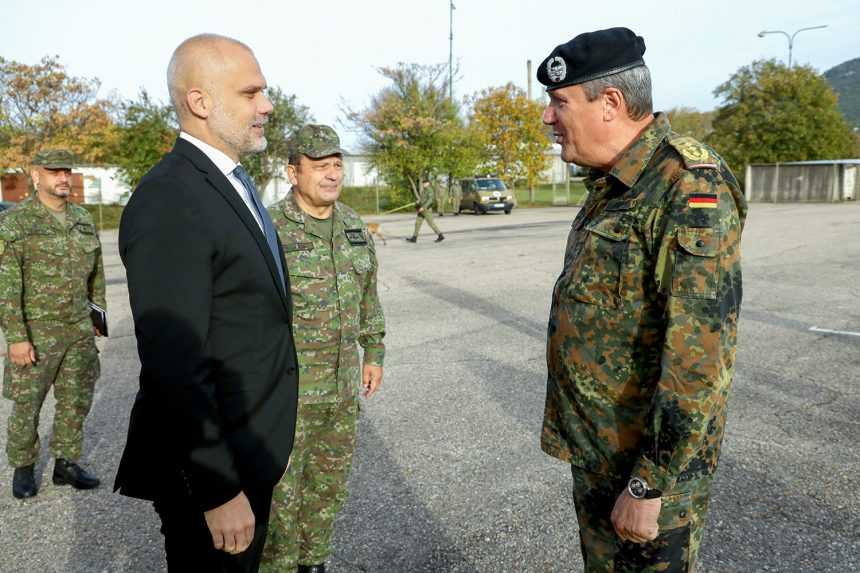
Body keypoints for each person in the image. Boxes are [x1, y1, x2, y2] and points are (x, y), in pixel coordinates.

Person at [539, 27, 747, 572]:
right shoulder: (612, 184)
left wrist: (648, 482)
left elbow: (699, 360)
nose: (548, 118)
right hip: (600, 456)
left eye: (560, 102)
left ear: (610, 103)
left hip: (647, 473)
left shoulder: (688, 185)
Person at [115, 34, 298, 573]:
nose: (267, 105)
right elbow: (175, 364)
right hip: (216, 473)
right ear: (200, 102)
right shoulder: (172, 199)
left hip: (249, 447)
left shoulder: (226, 183)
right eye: (250, 94)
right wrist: (217, 490)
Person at [261, 124, 386, 573]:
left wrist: (374, 351)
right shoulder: (268, 227)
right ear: (293, 172)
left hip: (340, 389)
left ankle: (313, 562)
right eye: (320, 166)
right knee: (279, 493)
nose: (332, 175)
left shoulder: (352, 224)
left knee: (328, 485)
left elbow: (368, 292)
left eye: (337, 165)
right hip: (287, 393)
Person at [0, 149, 105, 499]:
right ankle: (24, 466)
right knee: (28, 403)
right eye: (53, 171)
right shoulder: (17, 222)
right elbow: (7, 285)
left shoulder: (82, 219)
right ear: (35, 176)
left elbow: (97, 274)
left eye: (66, 171)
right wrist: (16, 338)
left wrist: (97, 316)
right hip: (37, 330)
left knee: (76, 399)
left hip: (78, 328)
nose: (63, 178)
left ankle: (66, 463)